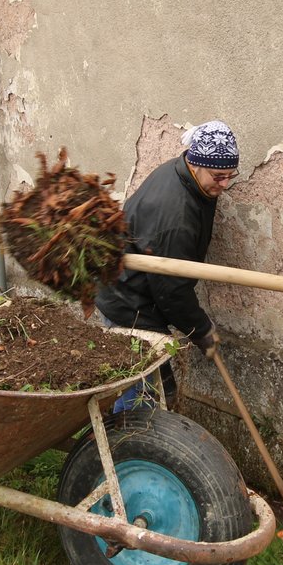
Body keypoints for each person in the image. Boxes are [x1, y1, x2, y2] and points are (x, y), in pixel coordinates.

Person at [95, 120, 240, 408]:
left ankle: (127, 429)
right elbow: (171, 289)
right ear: (196, 164)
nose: (225, 184)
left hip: (134, 291)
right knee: (145, 396)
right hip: (127, 302)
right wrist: (201, 330)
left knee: (155, 390)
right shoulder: (175, 217)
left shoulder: (184, 172)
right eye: (218, 176)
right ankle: (123, 435)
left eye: (230, 175)